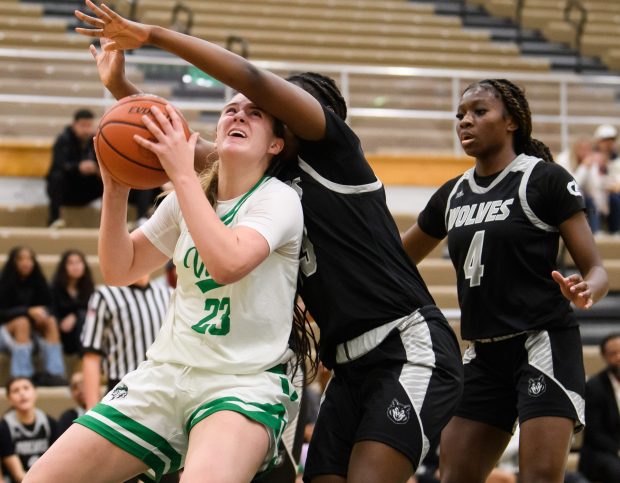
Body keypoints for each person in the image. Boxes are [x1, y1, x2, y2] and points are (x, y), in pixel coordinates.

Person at [72, 2, 464, 482]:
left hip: (406, 346)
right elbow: (175, 145)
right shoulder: (263, 178)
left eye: (270, 108)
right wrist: (119, 90)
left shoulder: (337, 156)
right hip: (346, 362)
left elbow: (251, 82)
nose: (255, 112)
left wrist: (153, 34)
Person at [24, 46, 306, 483]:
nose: (237, 116)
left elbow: (228, 262)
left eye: (254, 113)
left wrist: (180, 174)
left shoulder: (279, 199)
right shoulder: (183, 200)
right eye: (230, 110)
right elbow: (121, 268)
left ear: (276, 143)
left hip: (241, 383)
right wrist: (115, 192)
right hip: (166, 373)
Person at [401, 79, 609, 483]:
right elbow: (396, 260)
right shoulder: (452, 193)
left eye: (479, 112)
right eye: (460, 115)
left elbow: (596, 269)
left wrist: (588, 289)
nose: (465, 122)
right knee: (453, 475)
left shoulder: (544, 179)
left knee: (539, 476)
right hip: (483, 352)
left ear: (511, 120)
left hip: (542, 342)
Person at [79, 272, 171, 410]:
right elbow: (91, 355)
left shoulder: (169, 294)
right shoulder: (105, 296)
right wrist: (91, 408)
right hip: (123, 392)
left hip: (164, 391)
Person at [0, 246, 66, 386]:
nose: (26, 263)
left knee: (51, 321)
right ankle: (21, 375)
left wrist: (42, 315)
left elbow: (51, 307)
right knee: (22, 322)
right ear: (13, 262)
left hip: (32, 334)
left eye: (29, 259)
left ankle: (54, 373)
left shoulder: (39, 281)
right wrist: (28, 311)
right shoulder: (4, 282)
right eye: (21, 259)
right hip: (5, 333)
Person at [46, 109, 102, 228]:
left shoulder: (96, 141)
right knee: (56, 177)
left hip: (87, 188)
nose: (86, 130)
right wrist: (78, 167)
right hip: (68, 189)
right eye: (82, 126)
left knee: (108, 178)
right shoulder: (63, 140)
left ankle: (108, 223)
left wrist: (97, 170)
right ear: (74, 125)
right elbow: (58, 165)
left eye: (89, 126)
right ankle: (54, 219)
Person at [578, 333, 620, 483]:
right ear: (604, 357)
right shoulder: (594, 387)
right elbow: (595, 433)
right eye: (613, 354)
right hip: (602, 452)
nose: (618, 357)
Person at [0, 377, 58, 481]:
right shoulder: (4, 427)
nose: (22, 393)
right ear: (9, 399)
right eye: (16, 391)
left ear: (35, 393)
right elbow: (18, 474)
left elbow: (56, 462)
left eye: (26, 388)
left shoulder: (50, 423)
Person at [50, 249, 95, 355]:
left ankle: (85, 355)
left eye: (79, 262)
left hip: (80, 332)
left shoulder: (89, 288)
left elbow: (91, 310)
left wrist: (75, 316)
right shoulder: (54, 288)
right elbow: (51, 311)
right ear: (63, 267)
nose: (76, 266)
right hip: (60, 334)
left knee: (85, 316)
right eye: (71, 263)